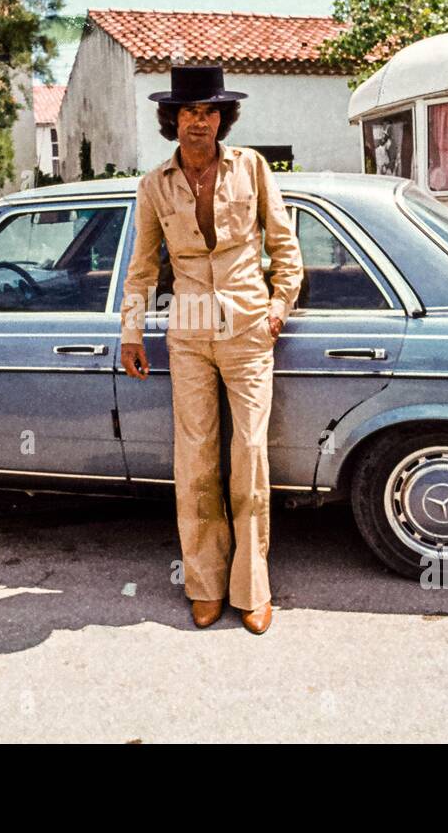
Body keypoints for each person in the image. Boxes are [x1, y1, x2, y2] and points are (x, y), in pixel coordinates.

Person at [119, 64, 303, 635]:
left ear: (222, 117)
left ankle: (252, 591)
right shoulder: (154, 185)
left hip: (249, 330)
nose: (199, 122)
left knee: (248, 457)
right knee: (195, 463)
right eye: (188, 112)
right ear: (172, 120)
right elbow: (143, 267)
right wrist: (130, 331)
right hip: (190, 334)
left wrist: (278, 307)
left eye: (209, 111)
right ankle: (204, 586)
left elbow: (283, 244)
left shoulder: (251, 167)